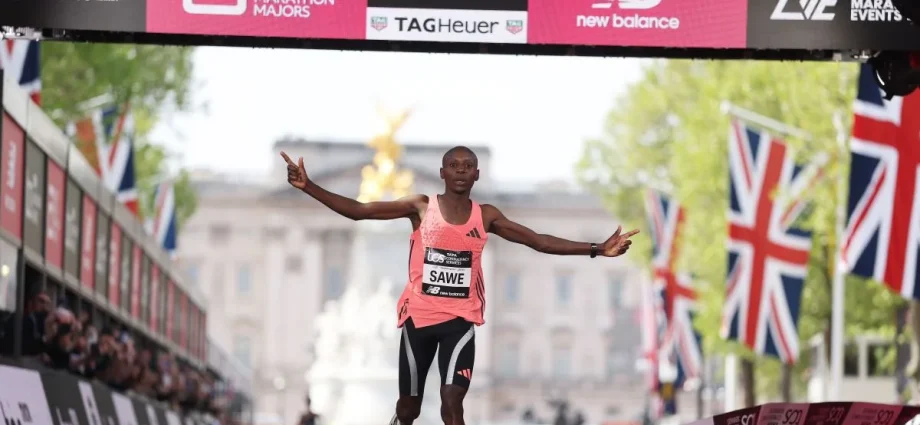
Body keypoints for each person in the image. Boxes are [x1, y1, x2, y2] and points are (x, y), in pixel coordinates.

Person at [280, 146, 639, 425]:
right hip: (419, 322)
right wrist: (308, 187)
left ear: (477, 174)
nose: (461, 171)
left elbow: (538, 241)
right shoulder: (421, 208)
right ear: (442, 173)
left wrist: (596, 249)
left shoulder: (486, 216)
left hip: (459, 324)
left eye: (468, 166)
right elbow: (360, 211)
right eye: (454, 165)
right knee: (408, 410)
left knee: (452, 402)